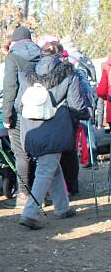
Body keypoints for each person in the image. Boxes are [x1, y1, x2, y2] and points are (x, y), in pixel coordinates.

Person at [17, 42, 89, 230]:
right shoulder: (68, 73)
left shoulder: (27, 74)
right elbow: (76, 105)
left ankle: (62, 207)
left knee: (50, 166)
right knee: (45, 170)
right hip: (56, 129)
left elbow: (19, 104)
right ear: (60, 55)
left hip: (31, 129)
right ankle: (30, 213)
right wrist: (86, 112)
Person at [2, 26, 41, 209]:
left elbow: (10, 87)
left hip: (20, 110)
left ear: (15, 41)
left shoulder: (12, 57)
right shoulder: (42, 53)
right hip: (42, 110)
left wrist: (7, 115)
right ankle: (43, 192)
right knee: (42, 153)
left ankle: (24, 195)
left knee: (21, 154)